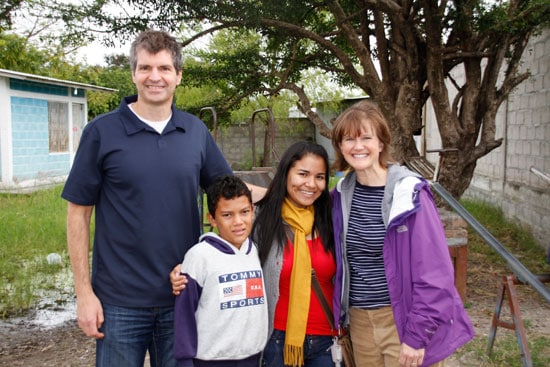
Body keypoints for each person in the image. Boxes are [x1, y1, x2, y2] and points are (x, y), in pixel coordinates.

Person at [61, 30, 233, 366]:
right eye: (145, 68)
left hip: (182, 296)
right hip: (118, 302)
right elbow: (77, 214)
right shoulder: (101, 132)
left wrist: (290, 190)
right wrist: (84, 295)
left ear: (179, 76)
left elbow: (228, 193)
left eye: (165, 68)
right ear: (134, 73)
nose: (155, 77)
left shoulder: (195, 131)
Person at [171, 141, 344, 367]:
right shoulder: (262, 219)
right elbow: (228, 246)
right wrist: (183, 269)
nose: (311, 184)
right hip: (277, 341)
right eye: (302, 174)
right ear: (286, 174)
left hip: (324, 340)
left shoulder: (332, 219)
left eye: (320, 176)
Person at [330, 100, 475, 367]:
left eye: (366, 137)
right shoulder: (339, 197)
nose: (357, 146)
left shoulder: (410, 195)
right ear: (340, 146)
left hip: (402, 319)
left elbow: (436, 272)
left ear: (381, 143)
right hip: (360, 321)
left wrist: (417, 336)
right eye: (348, 139)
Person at [173, 175, 268, 367]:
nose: (238, 221)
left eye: (244, 212)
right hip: (211, 361)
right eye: (227, 215)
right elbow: (184, 315)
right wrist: (184, 361)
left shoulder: (255, 251)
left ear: (253, 211)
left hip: (252, 357)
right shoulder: (199, 257)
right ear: (212, 219)